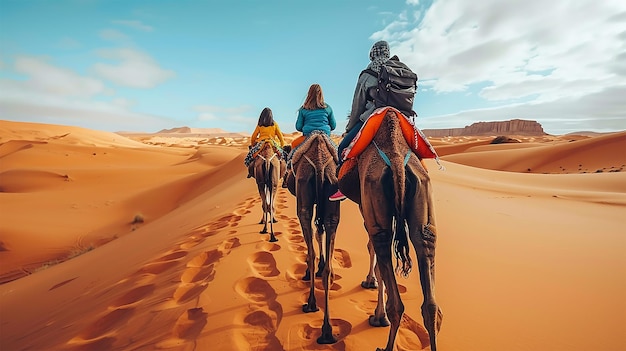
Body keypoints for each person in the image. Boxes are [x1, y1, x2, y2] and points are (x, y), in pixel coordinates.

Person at [329, 40, 390, 201]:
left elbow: (358, 105)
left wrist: (350, 128)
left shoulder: (368, 74)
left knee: (342, 148)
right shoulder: (399, 70)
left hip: (372, 119)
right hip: (399, 118)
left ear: (372, 54)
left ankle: (342, 188)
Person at [282, 83, 337, 187]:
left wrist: (308, 126)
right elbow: (333, 125)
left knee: (293, 147)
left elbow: (298, 127)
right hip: (324, 136)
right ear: (321, 94)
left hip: (307, 137)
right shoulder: (327, 108)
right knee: (337, 153)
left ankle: (288, 172)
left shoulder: (304, 109)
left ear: (309, 94)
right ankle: (339, 173)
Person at [245, 107, 286, 178]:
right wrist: (281, 146)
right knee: (284, 157)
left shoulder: (260, 125)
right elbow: (280, 137)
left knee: (250, 157)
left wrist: (253, 144)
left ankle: (250, 171)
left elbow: (253, 137)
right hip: (273, 143)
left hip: (261, 143)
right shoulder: (274, 124)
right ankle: (286, 174)